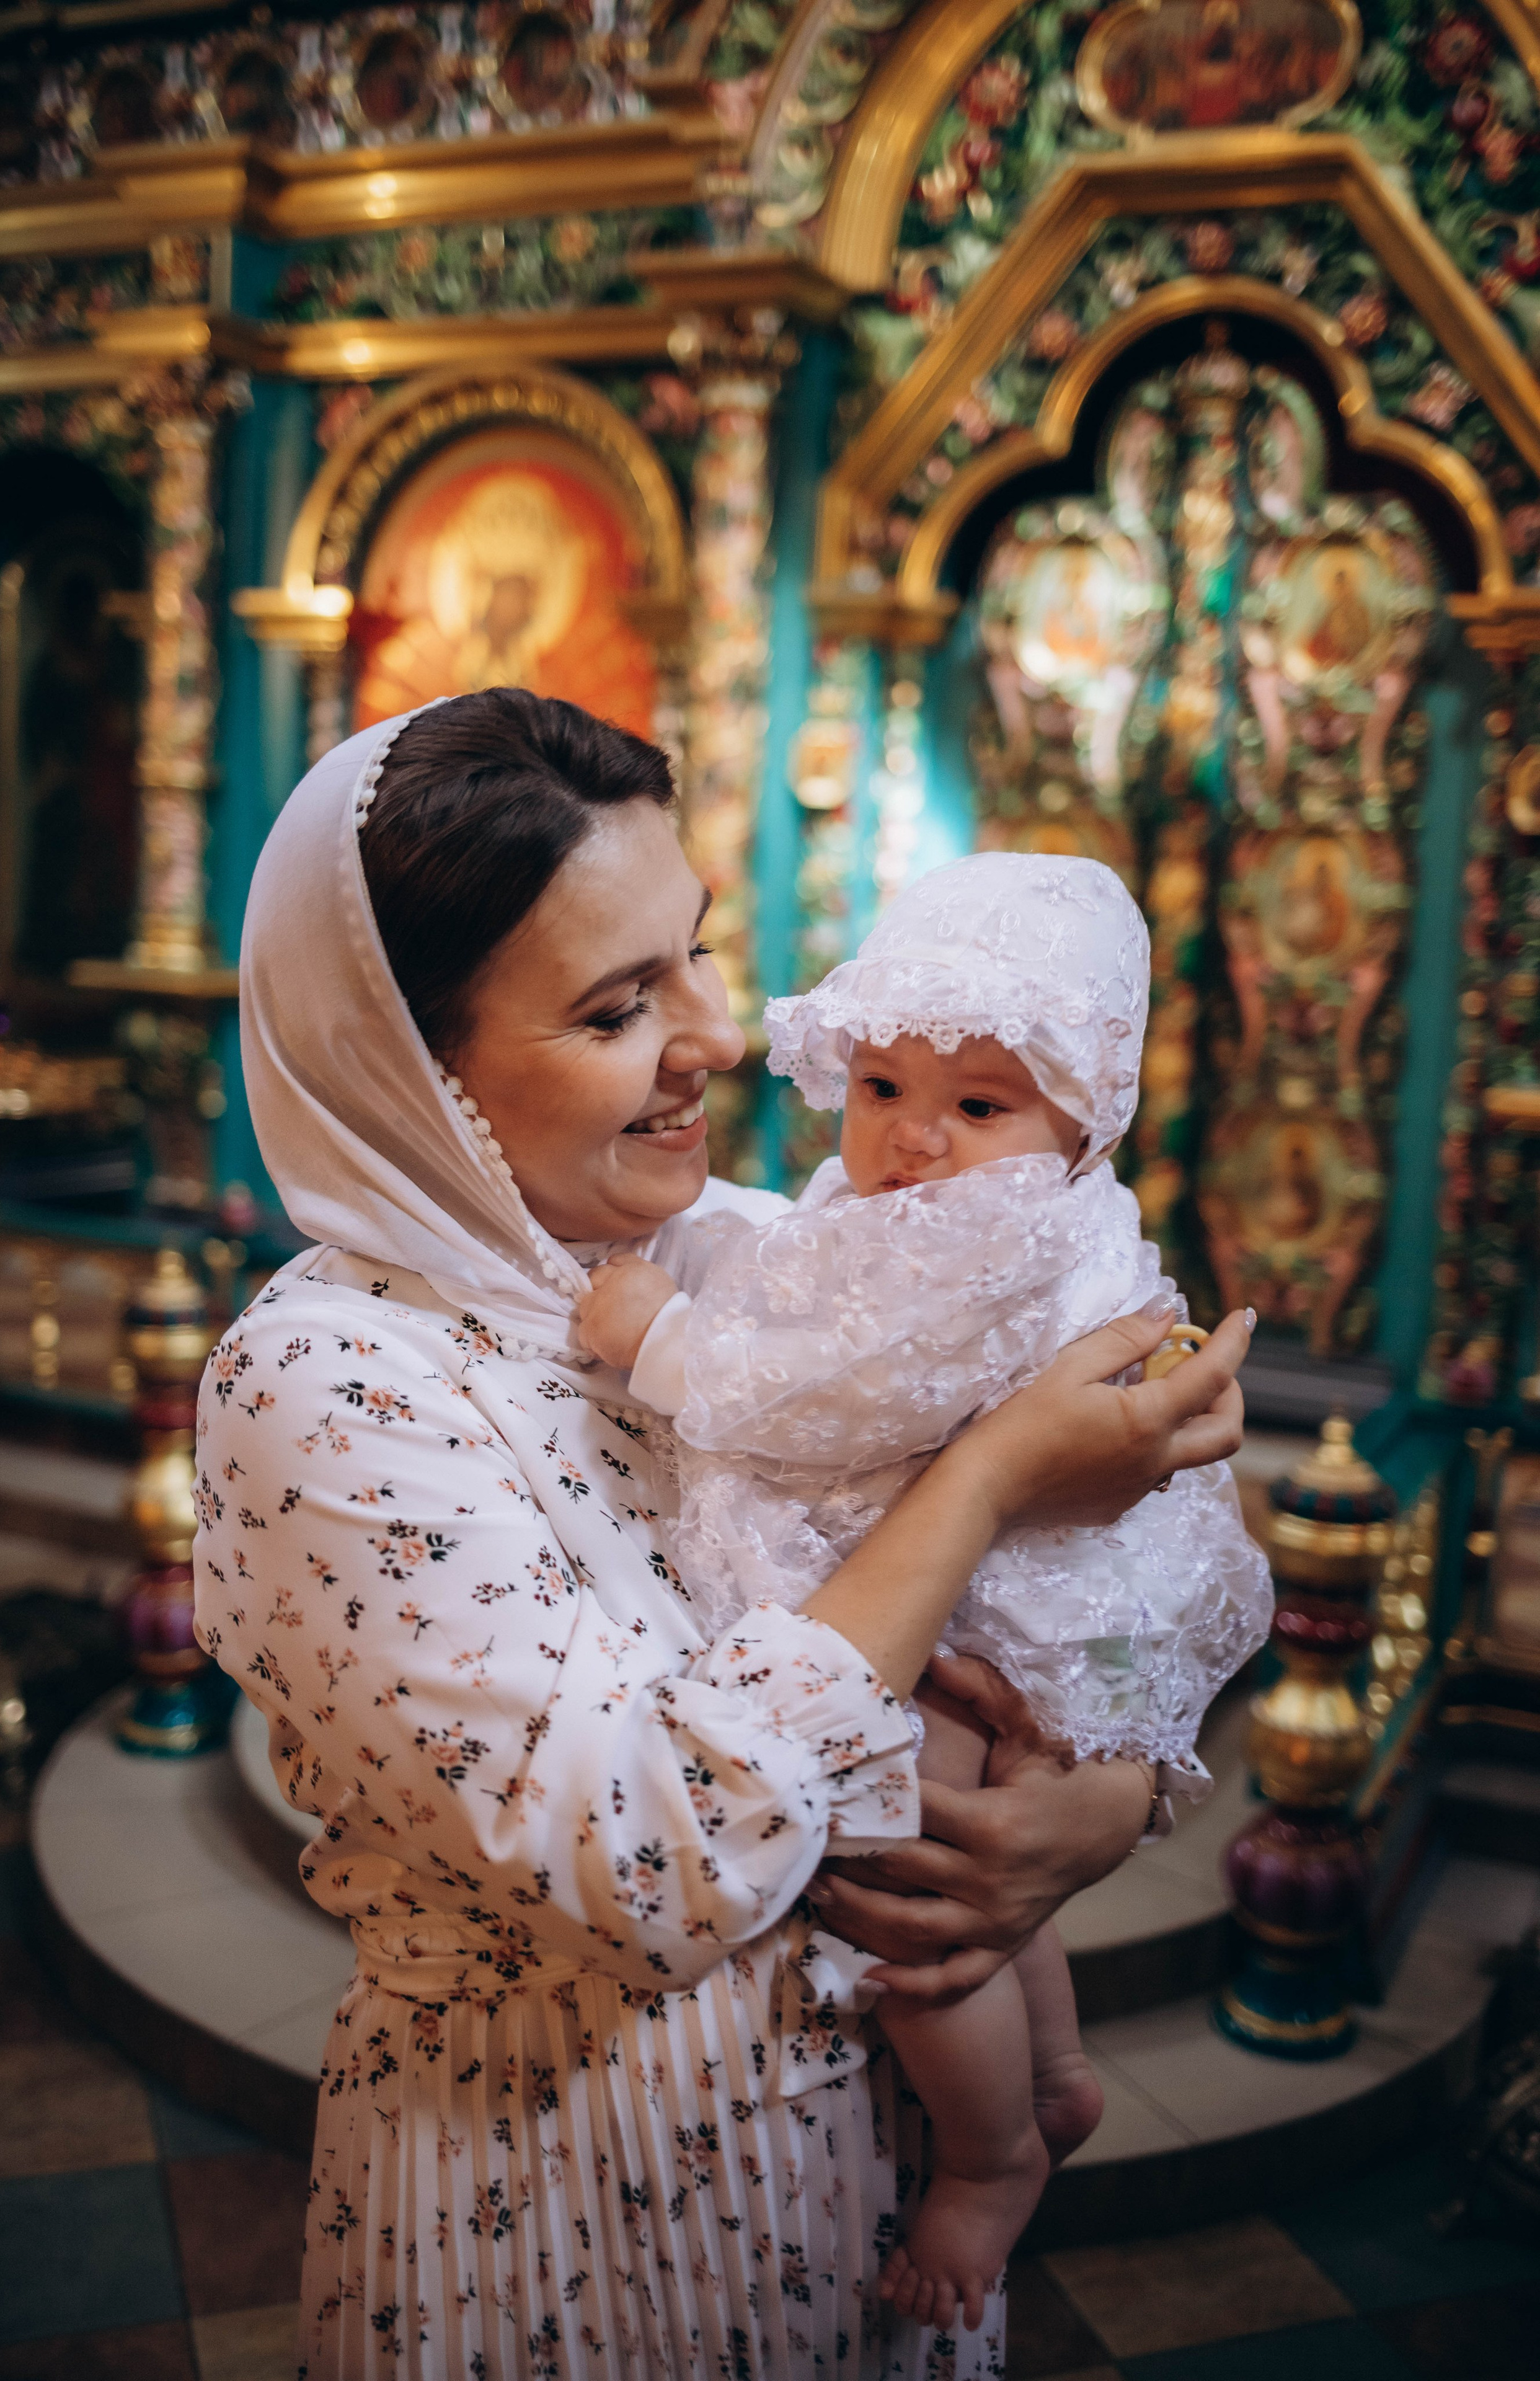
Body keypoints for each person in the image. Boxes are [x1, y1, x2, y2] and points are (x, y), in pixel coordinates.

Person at [195, 691, 1250, 2379]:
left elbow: (1107, 1559)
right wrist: (985, 1479)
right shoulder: (327, 1383)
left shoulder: (756, 1247)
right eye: (620, 1007)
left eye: (696, 952)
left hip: (869, 2187)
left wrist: (1094, 1802)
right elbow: (646, 1868)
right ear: (410, 1063)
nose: (717, 1033)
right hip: (562, 2202)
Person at [578, 853, 1272, 2330]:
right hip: (1008, 1583)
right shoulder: (943, 1199)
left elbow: (832, 1393)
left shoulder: (995, 1234)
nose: (911, 1136)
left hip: (1011, 1607)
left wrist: (661, 1343)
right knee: (984, 1869)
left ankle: (990, 2152)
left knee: (903, 1884)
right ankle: (1057, 2073)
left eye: (978, 1106)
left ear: (1084, 1122)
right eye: (882, 1085)